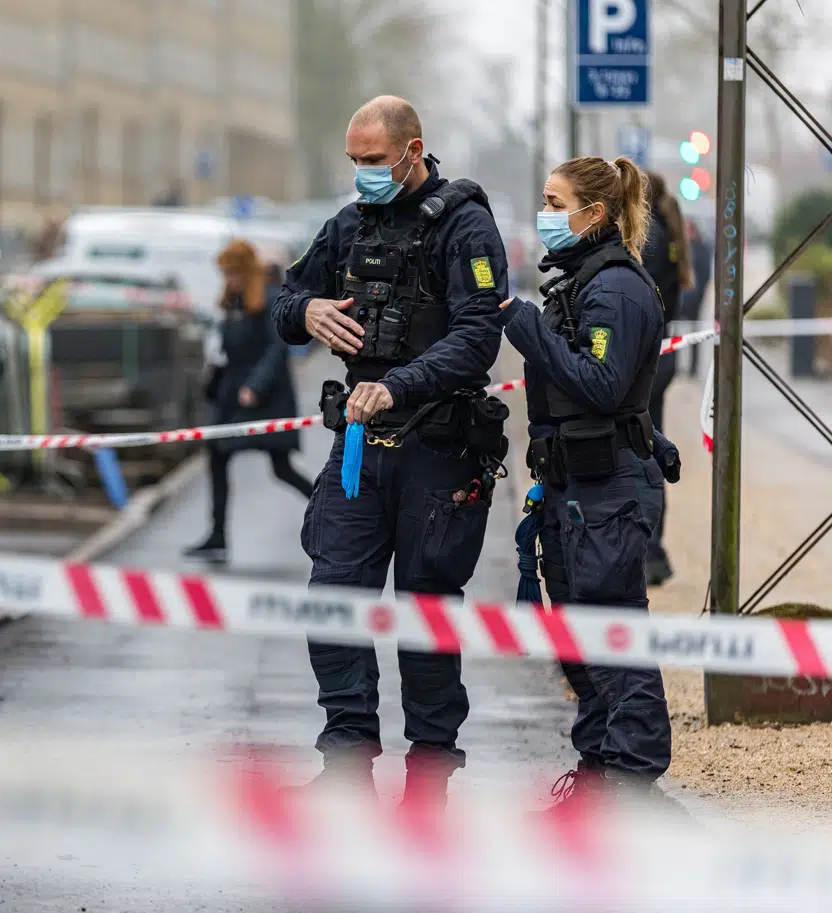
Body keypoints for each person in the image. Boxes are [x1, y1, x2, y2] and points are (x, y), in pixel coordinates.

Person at [272, 96, 510, 804]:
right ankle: (346, 764)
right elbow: (286, 301)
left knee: (425, 611)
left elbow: (478, 338)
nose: (362, 175)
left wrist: (398, 385)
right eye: (354, 161)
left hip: (438, 448)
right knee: (333, 600)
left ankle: (430, 781)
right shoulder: (348, 227)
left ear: (413, 151)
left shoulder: (465, 226)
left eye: (373, 161)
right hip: (358, 451)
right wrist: (305, 310)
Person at [500, 155, 672, 802]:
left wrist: (522, 327)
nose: (545, 214)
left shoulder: (616, 289)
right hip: (575, 493)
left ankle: (632, 782)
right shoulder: (582, 282)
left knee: (611, 635)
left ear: (592, 213)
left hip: (607, 495)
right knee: (582, 643)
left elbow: (602, 384)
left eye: (554, 201)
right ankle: (598, 774)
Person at [186, 240, 315, 563]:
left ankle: (333, 517)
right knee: (217, 457)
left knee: (281, 468)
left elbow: (278, 348)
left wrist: (255, 386)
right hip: (233, 399)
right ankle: (217, 536)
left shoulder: (269, 298)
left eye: (231, 272)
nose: (227, 278)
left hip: (266, 400)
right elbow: (227, 350)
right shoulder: (235, 301)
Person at [640, 173, 692, 587]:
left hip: (648, 358)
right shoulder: (665, 229)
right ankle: (653, 549)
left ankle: (651, 549)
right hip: (662, 354)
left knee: (644, 452)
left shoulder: (648, 237)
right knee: (652, 448)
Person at [680, 218, 713, 375]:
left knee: (694, 335)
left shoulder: (701, 248)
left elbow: (705, 274)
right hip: (680, 299)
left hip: (694, 298)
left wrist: (698, 296)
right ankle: (677, 367)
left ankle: (693, 367)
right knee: (675, 333)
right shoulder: (680, 247)